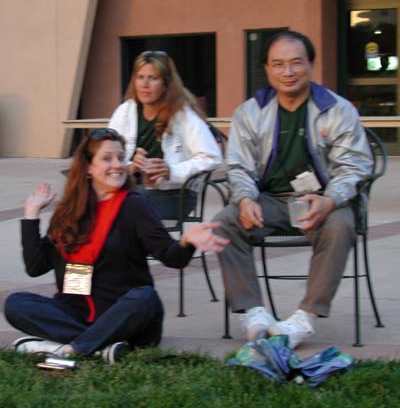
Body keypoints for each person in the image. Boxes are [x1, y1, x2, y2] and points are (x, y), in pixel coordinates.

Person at [5, 128, 228, 363]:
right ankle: (99, 348)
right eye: (107, 158)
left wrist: (186, 242)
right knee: (16, 304)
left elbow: (172, 257)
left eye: (121, 157)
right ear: (88, 169)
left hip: (128, 320)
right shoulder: (67, 213)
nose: (118, 165)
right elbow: (35, 266)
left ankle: (70, 349)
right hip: (76, 314)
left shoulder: (134, 206)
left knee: (145, 296)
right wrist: (31, 216)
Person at [213, 31, 373, 348]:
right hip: (269, 200)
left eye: (296, 63)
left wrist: (330, 200)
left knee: (340, 226)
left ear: (310, 65)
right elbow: (239, 166)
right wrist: (245, 199)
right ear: (267, 69)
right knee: (223, 223)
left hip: (320, 200)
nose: (288, 72)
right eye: (278, 64)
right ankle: (254, 312)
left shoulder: (337, 109)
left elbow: (354, 166)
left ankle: (305, 318)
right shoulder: (250, 112)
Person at [108, 50, 222, 219]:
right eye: (140, 77)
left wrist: (171, 171)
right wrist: (131, 166)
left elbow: (212, 158)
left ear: (166, 84)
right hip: (134, 191)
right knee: (97, 201)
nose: (145, 84)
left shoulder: (183, 115)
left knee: (123, 207)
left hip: (175, 195)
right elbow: (107, 155)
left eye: (153, 78)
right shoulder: (125, 112)